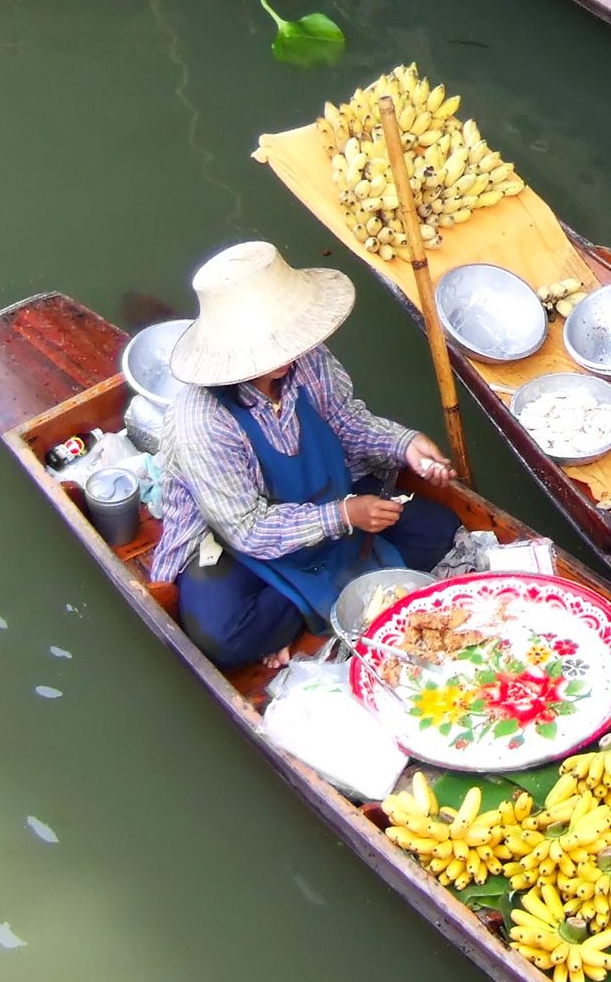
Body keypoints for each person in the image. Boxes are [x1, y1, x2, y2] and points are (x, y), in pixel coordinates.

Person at [148, 241, 462, 669]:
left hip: (324, 498)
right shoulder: (202, 421)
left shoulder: (304, 360)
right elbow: (246, 529)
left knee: (438, 529)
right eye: (269, 348)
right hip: (238, 541)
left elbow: (347, 423)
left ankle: (306, 608)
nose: (286, 357)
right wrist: (345, 515)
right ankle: (320, 600)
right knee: (224, 640)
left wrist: (404, 445)